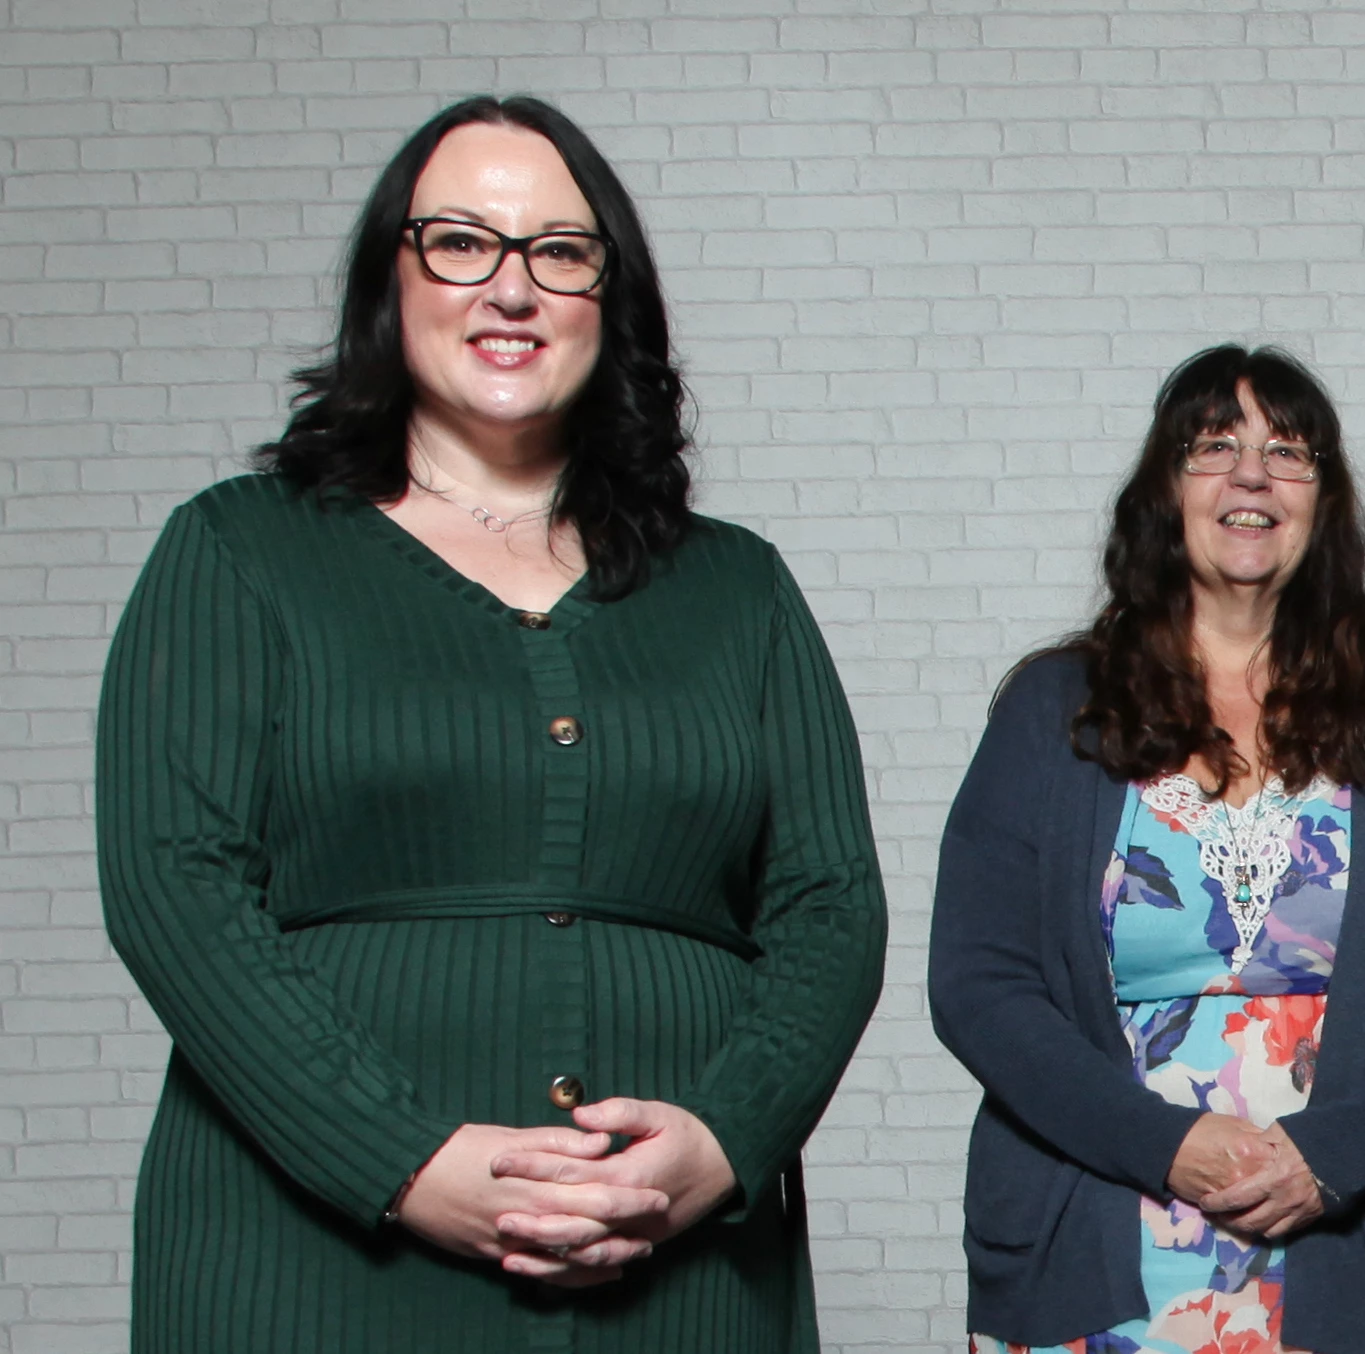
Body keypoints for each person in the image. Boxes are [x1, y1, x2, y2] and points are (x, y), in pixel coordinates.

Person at [94, 96, 888, 1351]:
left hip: (674, 1275)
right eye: (461, 242)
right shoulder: (237, 551)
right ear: (389, 280)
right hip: (308, 1260)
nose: (510, 288)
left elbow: (831, 909)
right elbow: (173, 890)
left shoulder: (742, 590)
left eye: (558, 253)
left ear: (607, 300)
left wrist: (722, 1143)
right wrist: (403, 1157)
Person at [932, 345, 1365, 1354]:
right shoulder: (1053, 709)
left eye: (1288, 451)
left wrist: (1332, 1155)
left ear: (1325, 499)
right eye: (1215, 446)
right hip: (1110, 1240)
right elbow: (977, 981)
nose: (1251, 474)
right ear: (1165, 490)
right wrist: (1166, 1144)